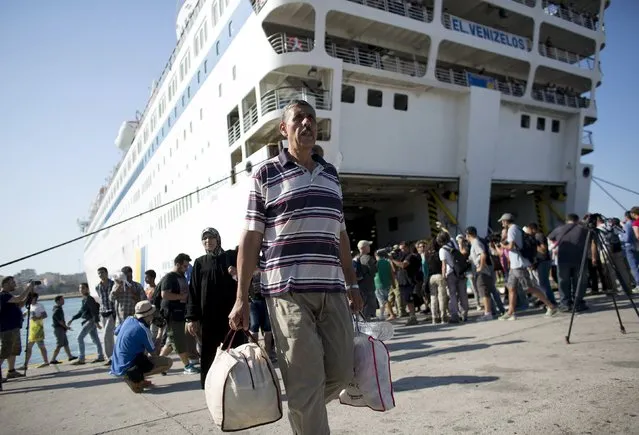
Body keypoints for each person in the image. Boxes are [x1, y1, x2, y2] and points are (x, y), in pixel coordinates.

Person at [230, 99, 363, 434]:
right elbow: (249, 238)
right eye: (298, 118)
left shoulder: (331, 174)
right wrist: (241, 297)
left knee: (342, 371)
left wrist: (353, 283)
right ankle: (306, 408)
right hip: (287, 292)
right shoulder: (265, 174)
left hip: (332, 288)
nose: (307, 123)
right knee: (305, 383)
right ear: (284, 128)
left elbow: (341, 234)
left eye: (311, 118)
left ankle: (303, 406)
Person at [186, 227, 245, 389]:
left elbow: (246, 278)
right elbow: (194, 291)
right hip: (208, 316)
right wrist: (192, 318)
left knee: (236, 349)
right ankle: (210, 385)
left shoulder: (230, 257)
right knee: (208, 352)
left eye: (211, 238)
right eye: (204, 239)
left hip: (231, 314)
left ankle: (241, 383)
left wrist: (236, 274)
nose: (208, 241)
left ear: (218, 239)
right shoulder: (199, 262)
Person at [498, 213, 558, 320]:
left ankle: (551, 306)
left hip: (518, 264)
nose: (502, 223)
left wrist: (503, 246)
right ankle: (510, 312)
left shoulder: (512, 230)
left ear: (506, 221)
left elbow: (511, 246)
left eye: (502, 221)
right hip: (514, 265)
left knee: (529, 287)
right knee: (511, 287)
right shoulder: (517, 228)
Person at [110, 301, 173, 393]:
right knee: (167, 362)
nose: (154, 316)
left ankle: (139, 378)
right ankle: (134, 379)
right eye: (152, 313)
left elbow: (116, 332)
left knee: (141, 349)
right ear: (148, 315)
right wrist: (160, 332)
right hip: (127, 367)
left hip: (116, 364)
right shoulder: (143, 329)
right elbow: (154, 353)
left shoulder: (128, 319)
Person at [159, 253, 199, 375]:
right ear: (178, 264)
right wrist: (181, 296)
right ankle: (187, 366)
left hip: (181, 313)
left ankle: (159, 364)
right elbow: (164, 294)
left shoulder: (181, 276)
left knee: (170, 343)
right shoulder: (169, 277)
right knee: (179, 340)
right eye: (185, 266)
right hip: (172, 314)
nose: (186, 268)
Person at [0, 277, 34, 379]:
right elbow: (19, 298)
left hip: (14, 328)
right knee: (4, 351)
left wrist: (29, 294)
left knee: (13, 350)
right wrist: (28, 288)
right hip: (7, 329)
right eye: (12, 282)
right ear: (5, 284)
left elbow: (20, 304)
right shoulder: (3, 296)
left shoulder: (9, 296)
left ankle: (11, 371)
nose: (15, 284)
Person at [69, 283, 104, 364]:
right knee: (95, 339)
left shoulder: (89, 299)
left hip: (90, 321)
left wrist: (96, 322)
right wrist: (72, 319)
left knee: (79, 338)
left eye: (83, 288)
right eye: (80, 288)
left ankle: (81, 359)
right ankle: (101, 357)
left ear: (87, 289)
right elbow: (81, 312)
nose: (81, 289)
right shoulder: (84, 299)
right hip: (89, 321)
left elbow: (94, 311)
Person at [19, 292, 50, 369]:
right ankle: (25, 364)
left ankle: (45, 362)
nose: (32, 299)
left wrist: (37, 317)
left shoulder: (39, 306)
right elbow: (25, 314)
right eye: (30, 298)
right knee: (29, 347)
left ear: (36, 298)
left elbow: (45, 315)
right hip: (32, 329)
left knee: (39, 346)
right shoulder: (29, 306)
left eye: (33, 298)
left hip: (38, 327)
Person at [95, 267, 116, 366]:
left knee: (107, 335)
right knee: (109, 337)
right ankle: (112, 357)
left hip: (112, 312)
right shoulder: (97, 286)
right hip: (102, 313)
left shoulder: (113, 284)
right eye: (99, 273)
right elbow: (100, 299)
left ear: (107, 273)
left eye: (102, 272)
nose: (100, 275)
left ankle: (110, 357)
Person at [49, 295, 77, 364]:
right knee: (59, 344)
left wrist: (65, 327)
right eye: (62, 299)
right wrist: (66, 327)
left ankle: (70, 356)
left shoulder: (58, 308)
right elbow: (60, 321)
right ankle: (53, 359)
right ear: (58, 301)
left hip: (61, 329)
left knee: (65, 343)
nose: (63, 301)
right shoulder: (58, 310)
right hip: (59, 329)